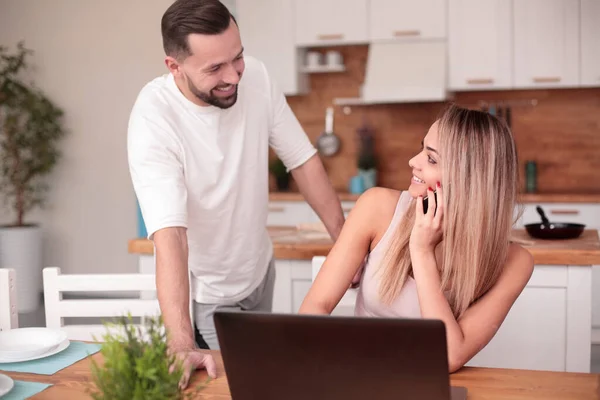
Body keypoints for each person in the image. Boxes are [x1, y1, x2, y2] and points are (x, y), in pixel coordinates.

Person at [127, 0, 345, 386]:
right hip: (209, 293)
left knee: (265, 380)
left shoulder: (256, 75)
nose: (234, 76)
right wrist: (179, 342)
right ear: (174, 67)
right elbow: (170, 234)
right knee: (243, 386)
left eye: (237, 57)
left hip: (260, 272)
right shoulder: (154, 117)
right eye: (215, 68)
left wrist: (345, 243)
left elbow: (303, 161)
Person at [299, 104, 535, 373]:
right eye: (422, 148)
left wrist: (422, 251)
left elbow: (449, 357)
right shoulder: (376, 207)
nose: (413, 161)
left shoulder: (514, 262)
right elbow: (316, 306)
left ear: (469, 179)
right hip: (359, 375)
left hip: (429, 383)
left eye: (431, 159)